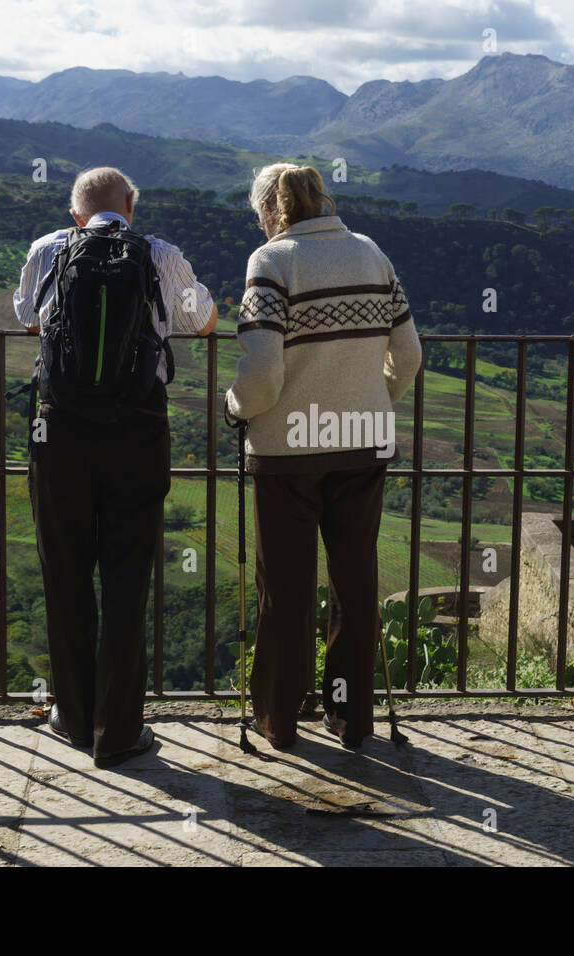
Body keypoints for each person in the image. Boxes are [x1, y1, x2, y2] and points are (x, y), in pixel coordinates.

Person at [14, 166, 216, 767]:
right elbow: (201, 320)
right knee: (128, 581)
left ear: (76, 214)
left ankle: (72, 717)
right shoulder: (159, 255)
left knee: (66, 572)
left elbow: (28, 315)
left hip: (60, 433)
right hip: (137, 431)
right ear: (132, 205)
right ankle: (120, 732)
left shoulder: (50, 249)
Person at [224, 163, 422, 750]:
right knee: (354, 585)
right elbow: (408, 355)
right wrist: (366, 403)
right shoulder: (371, 253)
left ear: (270, 212)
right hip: (362, 445)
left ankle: (280, 722)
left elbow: (261, 373)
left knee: (284, 591)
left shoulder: (272, 262)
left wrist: (235, 408)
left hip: (287, 455)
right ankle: (351, 720)